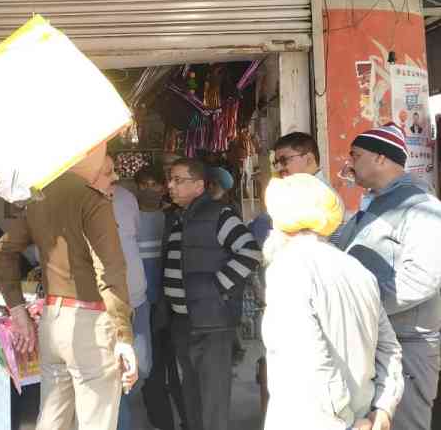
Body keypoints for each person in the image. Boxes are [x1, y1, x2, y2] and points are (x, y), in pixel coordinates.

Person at [0, 153, 138, 430]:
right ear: (88, 165)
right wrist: (123, 336)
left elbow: (2, 253)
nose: (115, 178)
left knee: (52, 419)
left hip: (53, 322)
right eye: (108, 171)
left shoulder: (39, 202)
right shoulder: (93, 201)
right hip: (91, 325)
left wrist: (17, 309)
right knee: (96, 420)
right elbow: (110, 271)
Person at [262, 173, 404, 430]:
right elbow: (390, 349)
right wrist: (383, 408)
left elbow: (310, 358)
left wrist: (346, 421)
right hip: (361, 417)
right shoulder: (358, 270)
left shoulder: (287, 269)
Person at [338, 123, 441, 430]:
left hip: (408, 344)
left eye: (355, 154)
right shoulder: (373, 205)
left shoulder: (422, 208)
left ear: (381, 158)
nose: (349, 163)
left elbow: (422, 278)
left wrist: (363, 306)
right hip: (375, 339)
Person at [160, 158, 261, 430]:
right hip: (183, 321)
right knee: (191, 392)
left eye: (178, 180)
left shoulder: (220, 214)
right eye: (170, 179)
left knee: (213, 398)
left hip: (212, 323)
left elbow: (250, 252)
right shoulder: (177, 218)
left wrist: (216, 287)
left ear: (199, 185)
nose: (170, 185)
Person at [92, 155, 152, 430]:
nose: (114, 177)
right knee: (116, 376)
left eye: (114, 170)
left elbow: (134, 235)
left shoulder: (126, 198)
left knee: (137, 368)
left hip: (135, 296)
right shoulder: (83, 202)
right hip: (104, 302)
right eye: (108, 172)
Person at [135, 166, 186, 430]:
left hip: (172, 302)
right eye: (145, 184)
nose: (150, 190)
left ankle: (188, 420)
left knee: (177, 369)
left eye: (155, 184)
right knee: (150, 370)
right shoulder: (128, 218)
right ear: (137, 187)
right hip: (143, 304)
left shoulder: (173, 217)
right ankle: (162, 423)